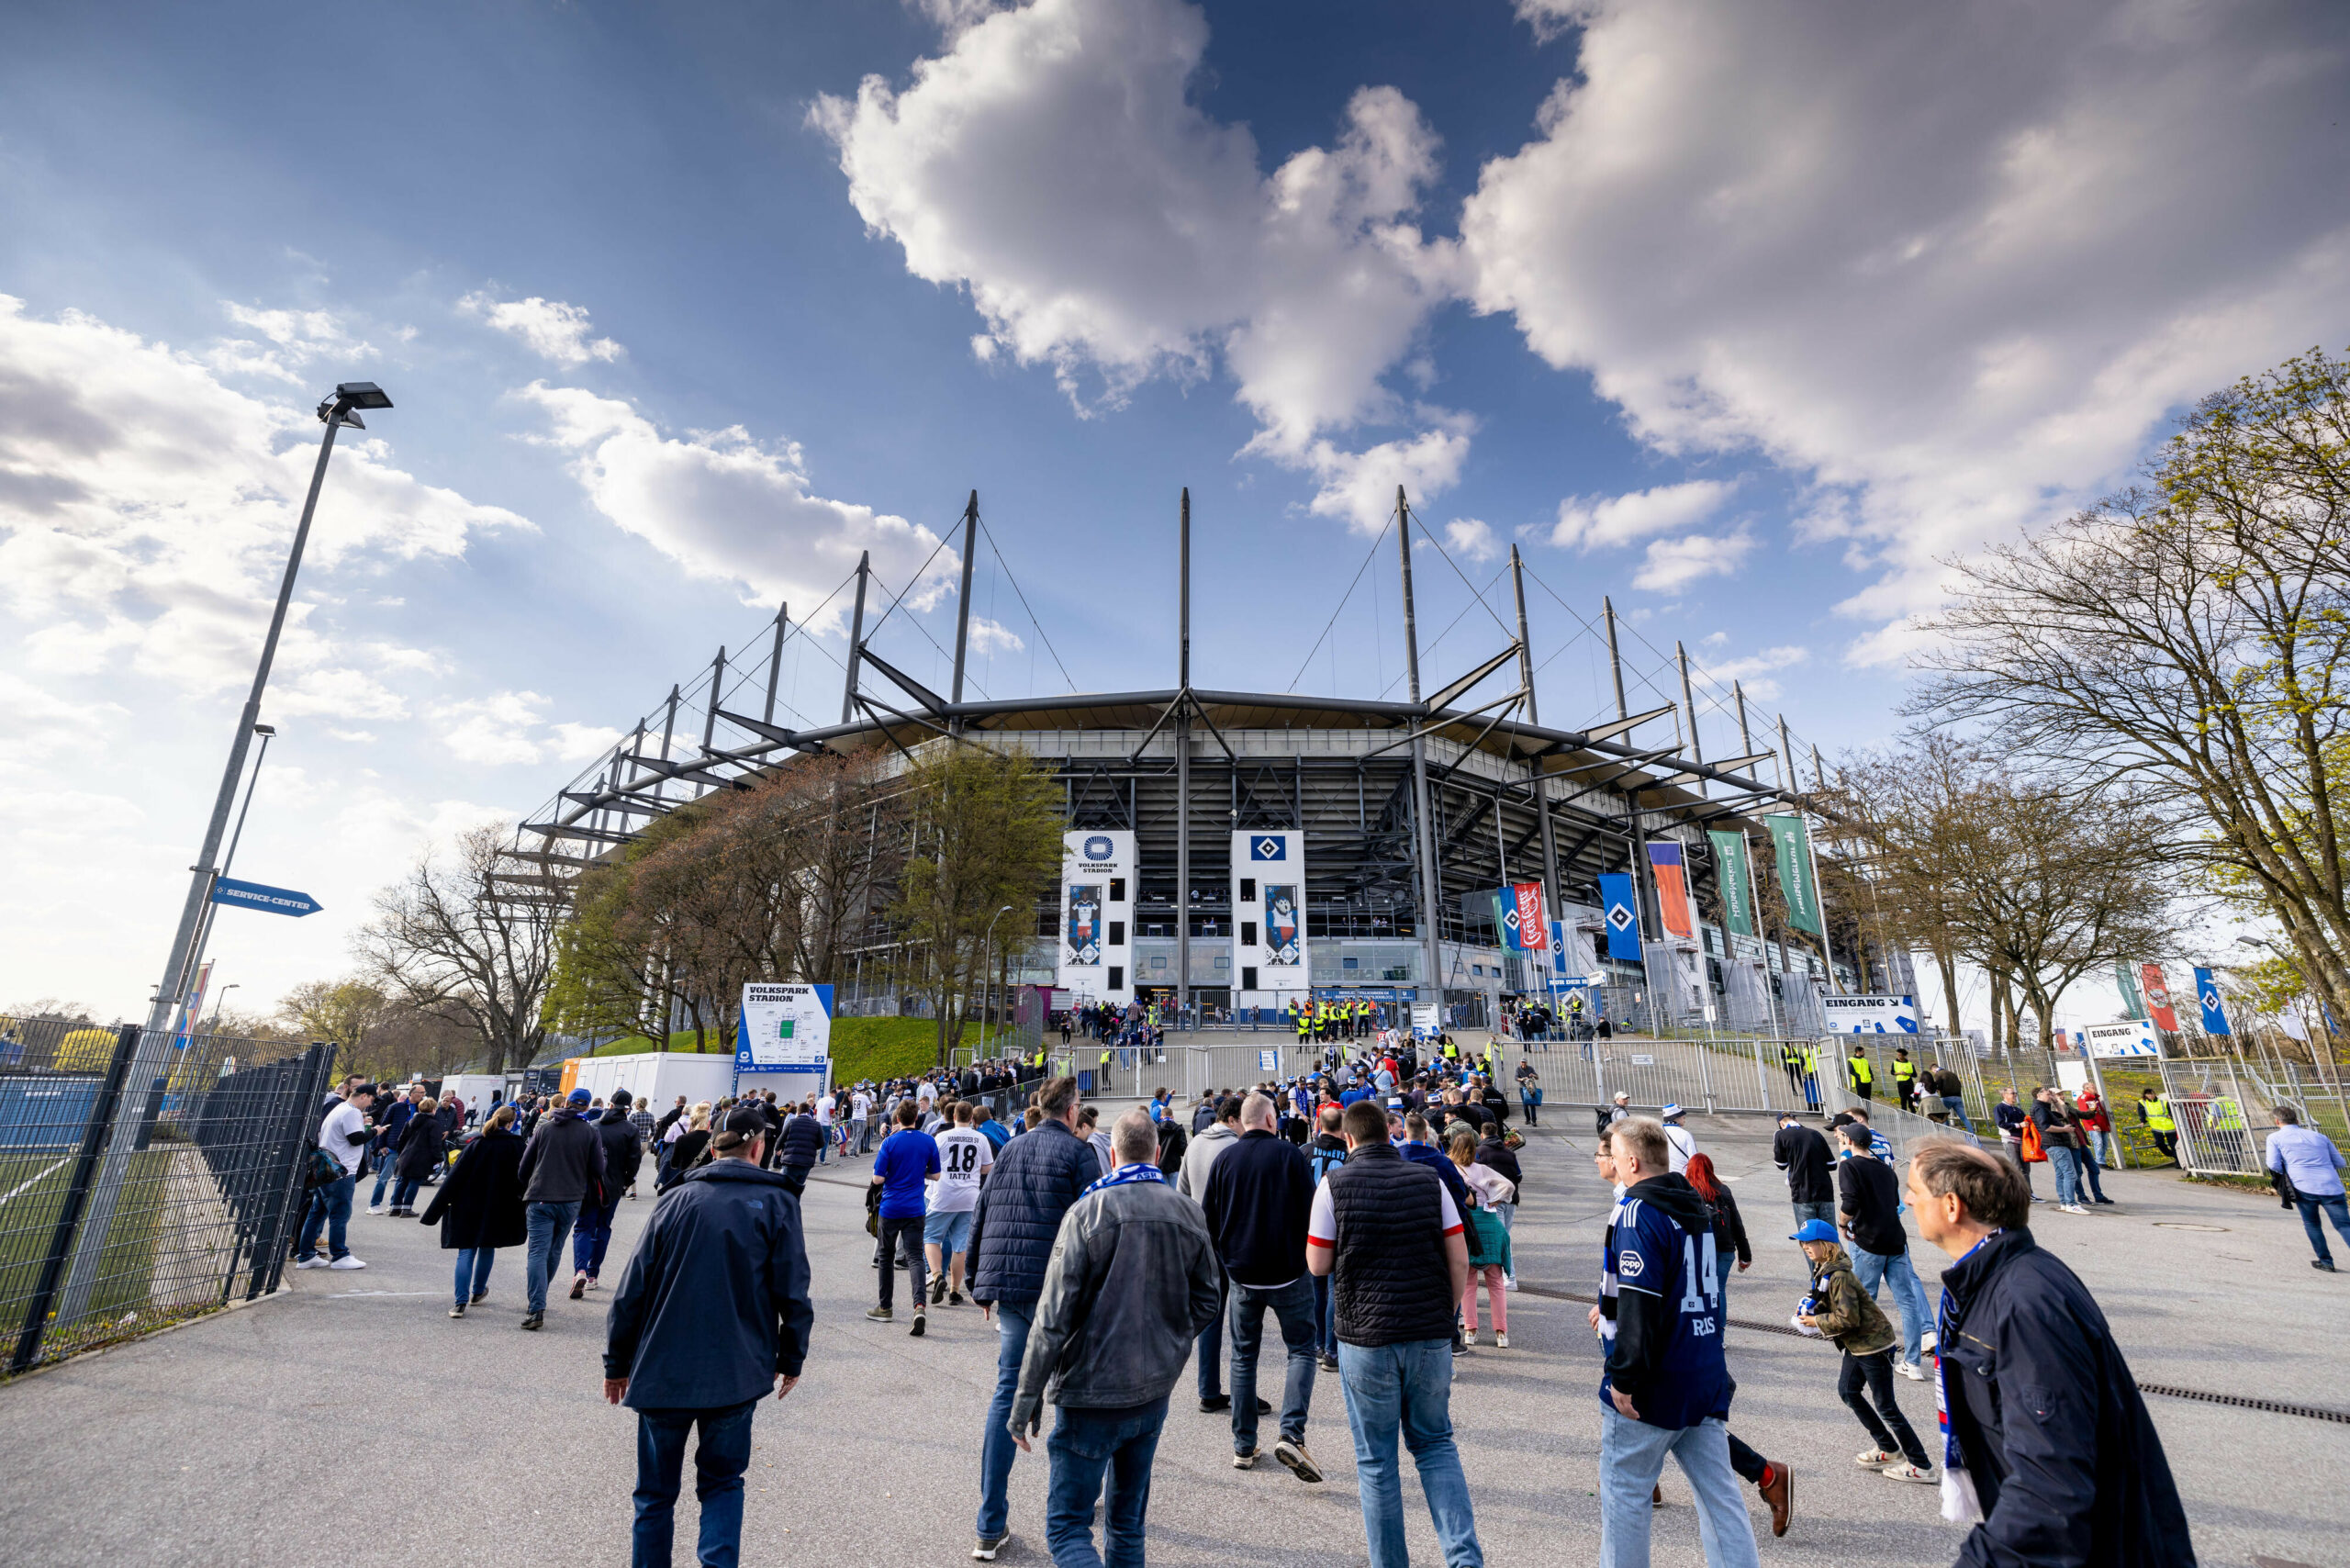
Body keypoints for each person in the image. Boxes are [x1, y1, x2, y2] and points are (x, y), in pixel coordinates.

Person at [1907, 1140, 2194, 1566]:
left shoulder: (2023, 1302)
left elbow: (2050, 1485)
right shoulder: (2006, 1275)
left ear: (1951, 1206)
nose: (1908, 1199)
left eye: (1913, 1189)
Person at [1009, 1108, 1223, 1568]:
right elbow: (1208, 1299)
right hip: (1150, 1392)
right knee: (1127, 1523)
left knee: (1068, 1527)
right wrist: (1172, 1342)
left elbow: (1051, 1318)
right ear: (1158, 1151)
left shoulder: (1087, 1210)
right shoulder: (1186, 1211)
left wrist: (1025, 1398)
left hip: (1091, 1391)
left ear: (1112, 1153)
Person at [604, 1104, 811, 1568]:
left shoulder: (676, 1199)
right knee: (721, 1484)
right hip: (735, 1369)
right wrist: (792, 1357)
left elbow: (630, 1290)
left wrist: (616, 1363)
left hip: (664, 1367)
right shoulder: (777, 1201)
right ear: (759, 1147)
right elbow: (792, 1291)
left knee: (655, 1495)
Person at [1307, 1098, 1483, 1568]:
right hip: (1427, 1334)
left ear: (1348, 1140)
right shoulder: (1429, 1180)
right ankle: (1464, 1559)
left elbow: (1317, 1263)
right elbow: (1459, 1258)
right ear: (1392, 1134)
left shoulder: (1333, 1184)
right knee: (1435, 1444)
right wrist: (1442, 1315)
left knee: (1376, 1462)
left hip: (1366, 1338)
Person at [1590, 1116, 1758, 1568]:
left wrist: (1624, 1376)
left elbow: (1642, 1303)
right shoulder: (1696, 1206)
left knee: (1625, 1497)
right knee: (1721, 1499)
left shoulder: (1637, 1209)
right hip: (1702, 1369)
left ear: (1630, 1160)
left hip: (1655, 1380)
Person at [966, 1076, 1102, 1562]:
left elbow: (984, 1210)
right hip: (1059, 1291)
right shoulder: (1078, 1154)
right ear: (1070, 1111)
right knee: (1075, 1392)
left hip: (1012, 1287)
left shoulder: (1012, 1148)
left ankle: (989, 1523)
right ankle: (1075, 1506)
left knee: (1008, 1392)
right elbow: (1095, 1225)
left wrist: (981, 1281)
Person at [1200, 1092, 1325, 1483]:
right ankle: (1291, 1432)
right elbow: (1311, 1213)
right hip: (1289, 1271)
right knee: (1302, 1349)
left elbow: (1209, 1220)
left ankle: (1243, 1444)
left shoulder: (1225, 1159)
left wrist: (1228, 1259)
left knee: (1243, 1356)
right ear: (1271, 1120)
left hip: (1243, 1274)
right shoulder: (1290, 1156)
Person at [1792, 1218, 1934, 1483]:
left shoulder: (1839, 1276)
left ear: (1826, 1244)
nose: (1805, 1247)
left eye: (1809, 1242)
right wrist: (1810, 1310)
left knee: (1887, 1407)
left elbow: (1848, 1319)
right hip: (1857, 1345)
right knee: (1848, 1391)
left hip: (1873, 1345)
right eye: (1802, 1242)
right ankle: (1888, 1448)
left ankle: (1921, 1465)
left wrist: (1815, 1321)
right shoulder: (1825, 1270)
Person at [1833, 1122, 1933, 1380]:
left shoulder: (1849, 1165)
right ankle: (1912, 1363)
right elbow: (1895, 1203)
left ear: (1850, 1142)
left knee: (1865, 1298)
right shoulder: (1886, 1169)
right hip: (1895, 1240)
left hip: (1869, 1240)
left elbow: (1850, 1201)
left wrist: (1842, 1223)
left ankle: (1859, 1352)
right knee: (1907, 1302)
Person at [421, 1103, 526, 1316]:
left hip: (467, 1203)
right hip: (499, 1205)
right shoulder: (517, 1146)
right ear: (511, 1122)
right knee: (488, 1247)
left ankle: (460, 1302)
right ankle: (478, 1291)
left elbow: (455, 1177)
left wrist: (436, 1210)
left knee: (466, 1250)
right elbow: (523, 1179)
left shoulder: (477, 1143)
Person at [1178, 1095, 1248, 1412]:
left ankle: (1208, 1389)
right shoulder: (1235, 1148)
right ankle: (1242, 1391)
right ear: (1233, 1119)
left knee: (1210, 1315)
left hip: (1200, 1239)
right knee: (1243, 1318)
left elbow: (1181, 1193)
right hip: (1232, 1241)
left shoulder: (1194, 1145)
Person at [516, 1086, 606, 1330]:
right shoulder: (589, 1132)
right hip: (571, 1198)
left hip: (541, 1195)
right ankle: (538, 1299)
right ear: (587, 1106)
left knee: (537, 1251)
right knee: (554, 1250)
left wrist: (529, 1183)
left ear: (566, 1102)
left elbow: (524, 1166)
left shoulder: (545, 1128)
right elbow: (598, 1168)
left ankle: (536, 1305)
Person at [867, 1101, 941, 1334]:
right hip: (915, 1208)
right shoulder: (928, 1141)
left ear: (898, 1118)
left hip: (890, 1207)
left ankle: (885, 1307)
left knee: (886, 1257)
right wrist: (920, 1172)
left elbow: (877, 1179)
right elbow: (936, 1175)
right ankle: (919, 1306)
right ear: (917, 1118)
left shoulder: (889, 1142)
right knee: (916, 1258)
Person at [294, 1082, 377, 1271]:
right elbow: (355, 1139)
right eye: (371, 1099)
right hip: (342, 1171)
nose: (371, 1104)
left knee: (316, 1213)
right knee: (340, 1214)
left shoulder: (340, 1108)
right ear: (363, 1096)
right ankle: (340, 1255)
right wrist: (374, 1131)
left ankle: (305, 1254)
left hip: (328, 1168)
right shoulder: (352, 1112)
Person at [573, 1088, 644, 1298]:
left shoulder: (594, 1126)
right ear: (628, 1108)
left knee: (583, 1227)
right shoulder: (630, 1130)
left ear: (610, 1105)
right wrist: (627, 1182)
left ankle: (580, 1270)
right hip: (613, 1187)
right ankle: (593, 1274)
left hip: (589, 1185)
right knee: (602, 1228)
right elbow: (634, 1161)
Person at [1448, 1127, 1514, 1350]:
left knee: (1468, 1282)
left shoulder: (1451, 1169)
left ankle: (1470, 1330)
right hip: (1489, 1222)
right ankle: (1501, 1332)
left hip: (1467, 1224)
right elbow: (1509, 1185)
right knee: (1496, 1282)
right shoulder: (1483, 1170)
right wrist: (1494, 1200)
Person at [2266, 1105, 2350, 1271]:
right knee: (2344, 1225)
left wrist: (2290, 1170)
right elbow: (2341, 1163)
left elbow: (2273, 1164)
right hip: (2331, 1186)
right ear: (2297, 1120)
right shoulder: (2319, 1137)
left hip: (2303, 1185)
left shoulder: (2275, 1138)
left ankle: (2326, 1261)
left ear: (2277, 1121)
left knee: (2312, 1223)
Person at [927, 1101, 994, 1305]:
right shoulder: (980, 1138)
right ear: (972, 1119)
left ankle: (938, 1275)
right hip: (969, 1196)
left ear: (954, 1117)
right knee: (960, 1245)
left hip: (944, 1194)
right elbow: (987, 1167)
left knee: (930, 1236)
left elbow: (931, 1163)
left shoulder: (942, 1137)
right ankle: (956, 1290)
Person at [1684, 1153, 1750, 1324]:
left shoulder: (1687, 1191)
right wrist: (1745, 1255)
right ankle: (1719, 1335)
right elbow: (1737, 1223)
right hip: (1725, 1248)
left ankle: (1700, 1331)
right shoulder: (1723, 1190)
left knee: (1696, 1290)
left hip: (1697, 1249)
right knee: (1718, 1290)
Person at [1771, 1113, 1835, 1230]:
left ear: (1781, 1123)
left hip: (1801, 1191)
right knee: (1830, 1235)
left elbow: (1781, 1165)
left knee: (1808, 1237)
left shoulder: (1780, 1135)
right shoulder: (1815, 1133)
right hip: (1824, 1190)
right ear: (1796, 1119)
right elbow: (1832, 1165)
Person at [387, 1092, 447, 1217]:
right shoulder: (433, 1124)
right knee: (414, 1182)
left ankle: (395, 1207)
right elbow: (435, 1143)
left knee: (402, 1181)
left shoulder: (410, 1122)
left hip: (406, 1155)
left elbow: (401, 1139)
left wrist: (401, 1153)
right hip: (421, 1157)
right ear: (433, 1109)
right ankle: (407, 1208)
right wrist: (438, 1158)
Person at [2031, 1088, 2089, 1214]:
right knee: (2070, 1173)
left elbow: (2063, 1115)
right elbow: (2045, 1127)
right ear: (2039, 1095)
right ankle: (2071, 1203)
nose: (2050, 1094)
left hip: (2057, 1144)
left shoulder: (2045, 1107)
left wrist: (2056, 1101)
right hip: (2055, 1144)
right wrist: (2064, 1130)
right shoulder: (2039, 1108)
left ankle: (2064, 1203)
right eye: (2048, 1093)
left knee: (2061, 1174)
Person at [1993, 1088, 2036, 1201]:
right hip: (2010, 1140)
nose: (2015, 1095)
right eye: (2013, 1093)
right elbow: (2001, 1123)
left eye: (2016, 1093)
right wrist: (2018, 1125)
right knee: (2017, 1168)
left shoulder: (2018, 1110)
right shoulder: (2000, 1108)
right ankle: (2019, 1193)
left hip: (2023, 1141)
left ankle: (2028, 1192)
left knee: (2026, 1168)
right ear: (2004, 1095)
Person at [2137, 1087, 2177, 1165]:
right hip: (2156, 1127)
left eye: (2152, 1094)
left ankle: (2178, 1163)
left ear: (2155, 1094)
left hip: (2169, 1126)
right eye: (2148, 1094)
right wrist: (2142, 1122)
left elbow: (2172, 1109)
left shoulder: (2163, 1101)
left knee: (2174, 1145)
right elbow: (2142, 1112)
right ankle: (2172, 1154)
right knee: (2159, 1143)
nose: (2150, 1095)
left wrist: (2171, 1115)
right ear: (2145, 1095)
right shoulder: (2142, 1102)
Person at [1659, 1104, 1695, 1173]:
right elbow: (1694, 1159)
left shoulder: (1657, 1132)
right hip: (1683, 1177)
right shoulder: (1685, 1134)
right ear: (1675, 1117)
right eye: (1681, 1115)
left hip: (1663, 1176)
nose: (1684, 1117)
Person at [1515, 1058, 1541, 1126]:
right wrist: (1522, 1079)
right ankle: (1528, 1119)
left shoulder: (1530, 1068)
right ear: (1520, 1063)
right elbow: (1516, 1078)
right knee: (1525, 1104)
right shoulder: (1518, 1069)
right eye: (1522, 1062)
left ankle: (1534, 1121)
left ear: (1526, 1063)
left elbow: (1537, 1077)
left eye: (1524, 1062)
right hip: (1523, 1088)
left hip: (1530, 1088)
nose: (1523, 1063)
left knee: (1532, 1104)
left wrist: (1533, 1075)